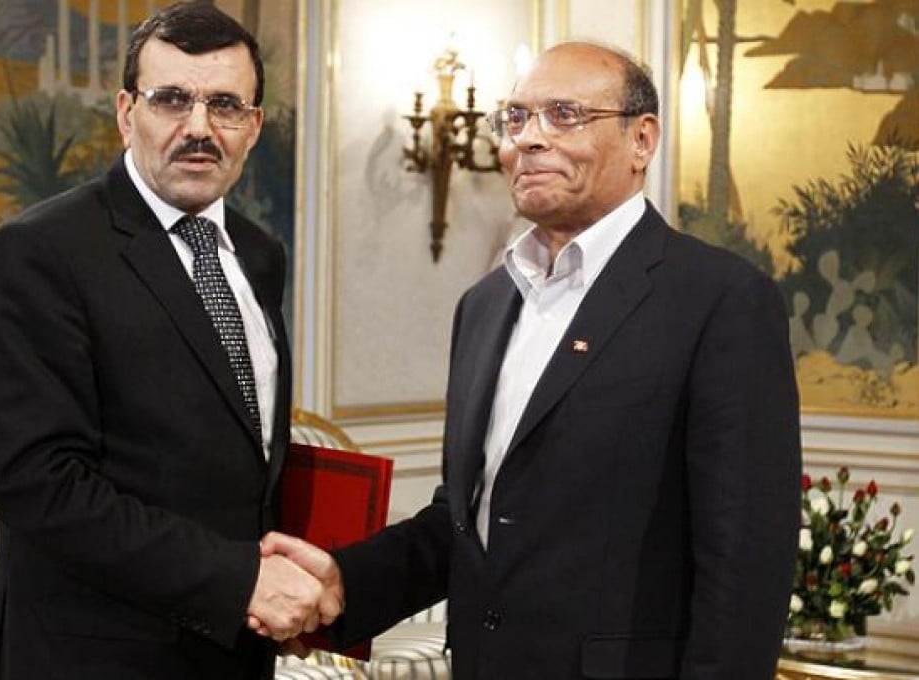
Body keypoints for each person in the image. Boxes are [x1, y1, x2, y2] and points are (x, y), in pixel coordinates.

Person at [263, 41, 802, 679]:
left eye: (565, 115)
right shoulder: (484, 305)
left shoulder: (721, 300)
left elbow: (744, 564)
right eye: (515, 119)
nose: (531, 139)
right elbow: (471, 520)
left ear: (642, 139)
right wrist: (347, 582)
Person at [0, 4, 336, 678]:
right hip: (93, 657)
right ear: (125, 112)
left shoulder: (259, 255)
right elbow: (41, 486)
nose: (199, 128)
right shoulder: (42, 250)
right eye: (172, 99)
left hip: (231, 649)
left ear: (253, 126)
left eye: (225, 105)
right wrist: (239, 581)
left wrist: (297, 580)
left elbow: (236, 458)